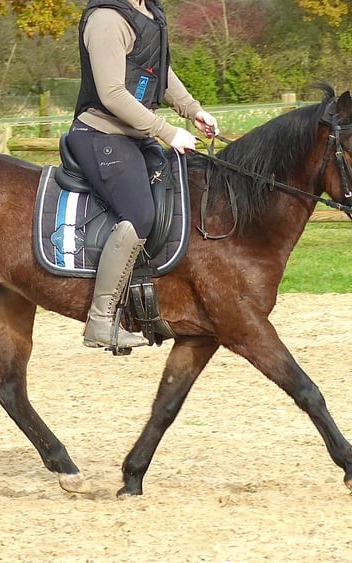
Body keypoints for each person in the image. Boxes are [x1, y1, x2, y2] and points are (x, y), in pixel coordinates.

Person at [68, 0, 218, 350]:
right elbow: (113, 94)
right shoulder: (107, 19)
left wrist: (192, 110)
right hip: (100, 134)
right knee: (140, 213)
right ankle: (101, 320)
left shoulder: (149, 12)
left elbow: (158, 72)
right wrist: (167, 132)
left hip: (135, 136)